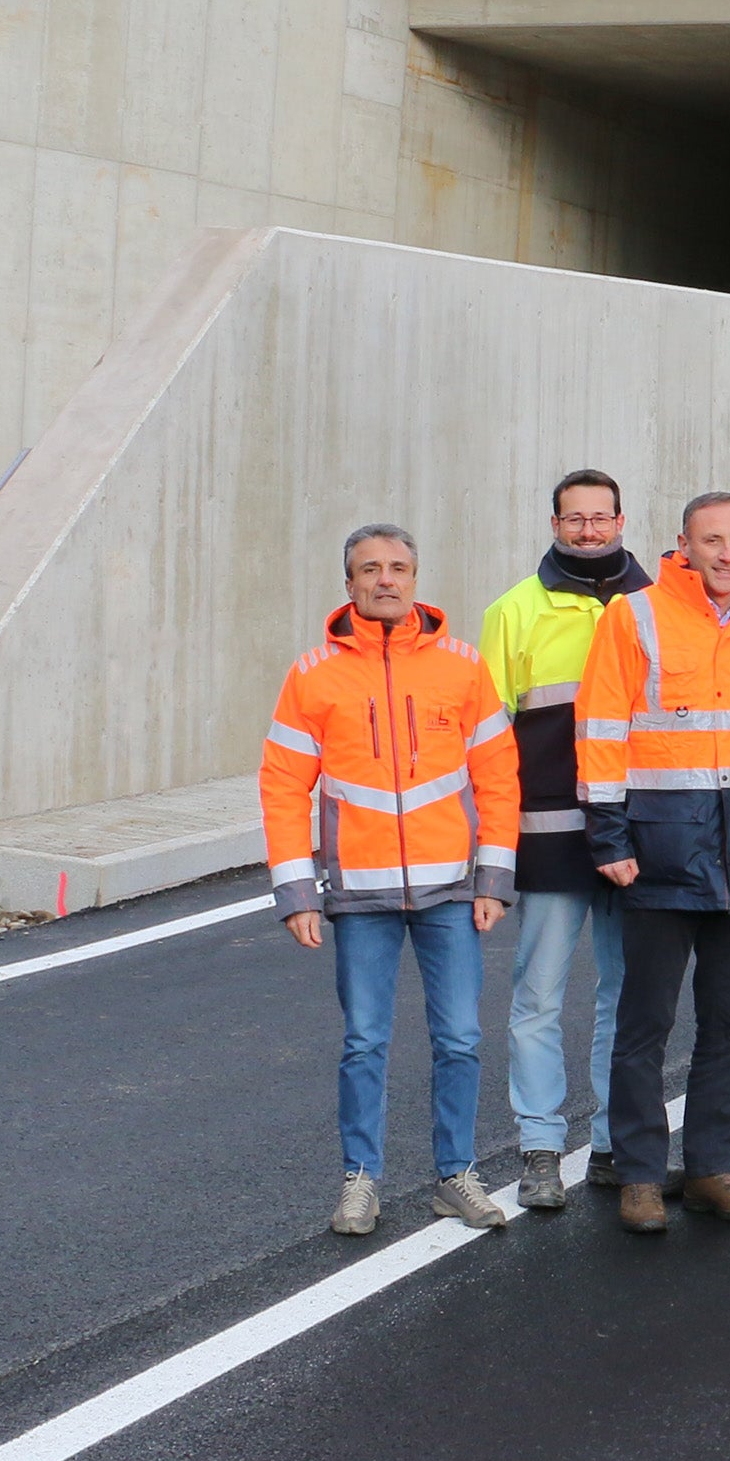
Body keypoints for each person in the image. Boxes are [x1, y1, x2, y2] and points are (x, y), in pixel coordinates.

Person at [263, 525, 522, 1238]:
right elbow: (283, 787)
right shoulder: (312, 674)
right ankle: (360, 1180)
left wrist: (494, 878)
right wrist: (296, 891)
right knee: (363, 1041)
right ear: (348, 583)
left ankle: (455, 1175)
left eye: (399, 567)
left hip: (450, 891)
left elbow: (500, 777)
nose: (386, 579)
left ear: (416, 577)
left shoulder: (464, 667)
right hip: (359, 895)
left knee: (462, 1037)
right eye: (370, 568)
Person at [579, 493, 730, 1237]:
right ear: (683, 544)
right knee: (645, 1024)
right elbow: (602, 728)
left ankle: (711, 1167)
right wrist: (609, 838)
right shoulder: (634, 615)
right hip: (658, 854)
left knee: (728, 1027)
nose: (727, 552)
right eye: (712, 539)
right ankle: (640, 1175)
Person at [480, 470, 654, 1211]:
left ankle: (615, 1144)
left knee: (627, 994)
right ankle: (542, 1148)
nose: (588, 530)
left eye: (600, 517)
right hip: (549, 836)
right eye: (574, 519)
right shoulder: (513, 611)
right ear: (553, 521)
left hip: (638, 835)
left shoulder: (657, 609)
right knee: (539, 995)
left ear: (621, 519)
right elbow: (488, 742)